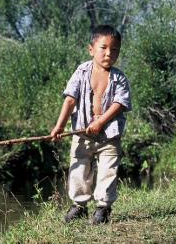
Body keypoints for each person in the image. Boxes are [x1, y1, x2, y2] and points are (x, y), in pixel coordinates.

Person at [50, 25, 132, 225]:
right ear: (91, 49)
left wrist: (101, 121)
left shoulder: (119, 77)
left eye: (114, 50)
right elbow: (70, 99)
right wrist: (59, 126)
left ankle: (103, 209)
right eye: (103, 48)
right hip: (82, 134)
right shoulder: (81, 71)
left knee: (107, 170)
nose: (108, 54)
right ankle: (79, 206)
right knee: (79, 169)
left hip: (109, 134)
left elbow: (120, 103)